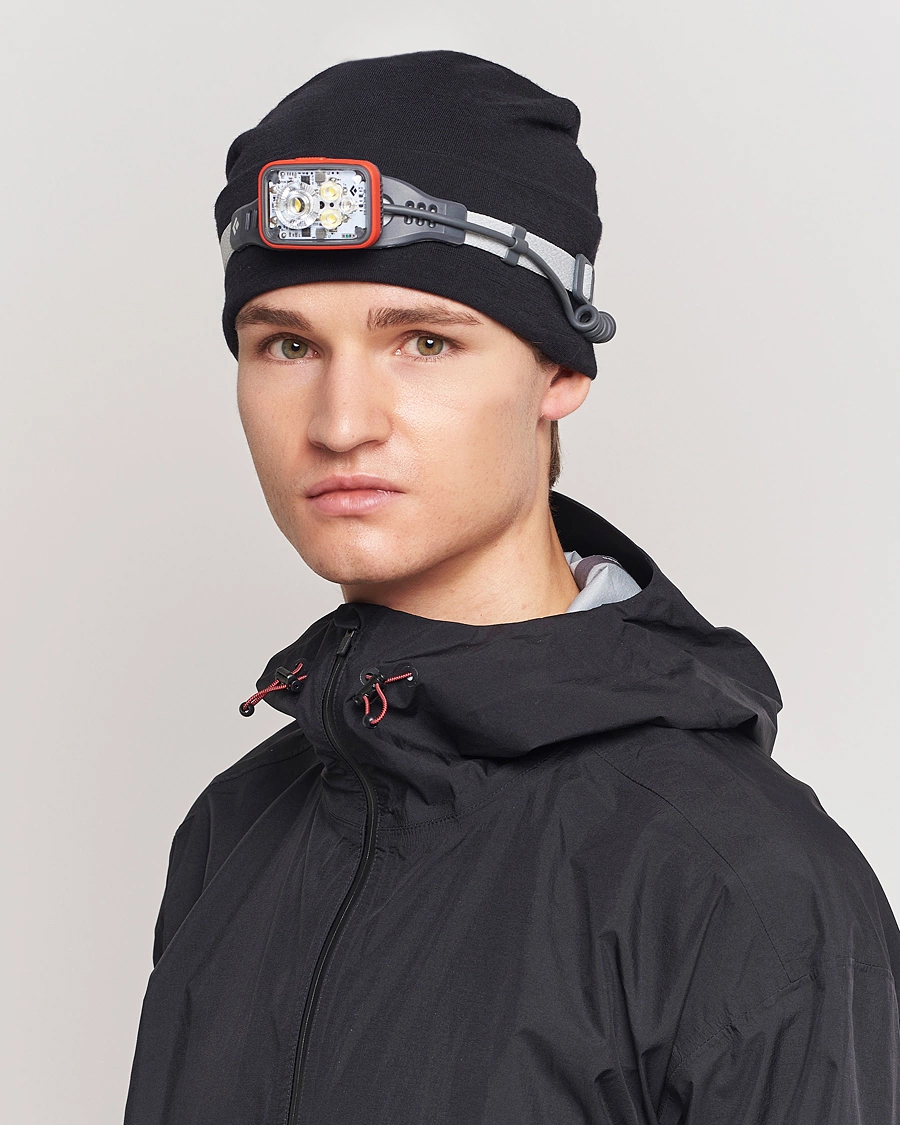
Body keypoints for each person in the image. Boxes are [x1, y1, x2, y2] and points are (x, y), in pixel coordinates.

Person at [124, 50, 900, 1125]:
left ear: (561, 369)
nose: (340, 422)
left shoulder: (738, 879)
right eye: (288, 344)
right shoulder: (236, 830)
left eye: (424, 341)